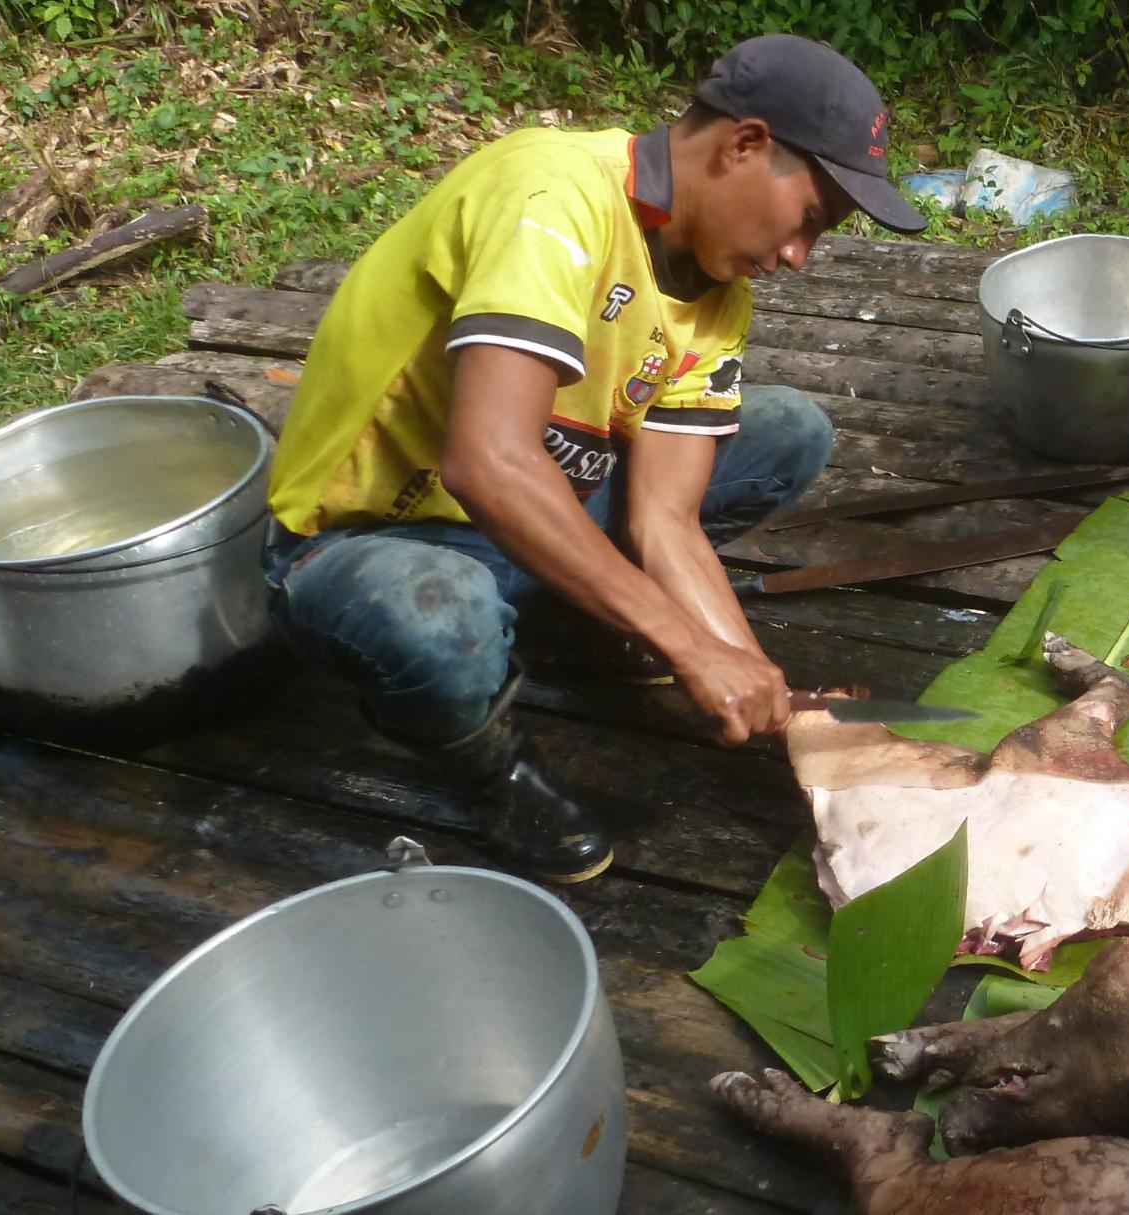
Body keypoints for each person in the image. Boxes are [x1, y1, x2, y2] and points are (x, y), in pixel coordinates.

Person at [261, 35, 927, 883]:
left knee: (787, 431)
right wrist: (686, 647)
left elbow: (665, 518)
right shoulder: (553, 196)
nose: (800, 256)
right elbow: (489, 462)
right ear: (744, 144)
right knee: (440, 612)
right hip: (371, 541)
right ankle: (491, 770)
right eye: (810, 220)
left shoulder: (718, 293)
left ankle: (572, 610)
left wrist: (766, 689)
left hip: (530, 522)